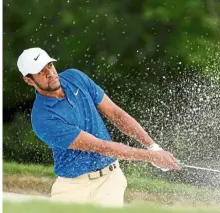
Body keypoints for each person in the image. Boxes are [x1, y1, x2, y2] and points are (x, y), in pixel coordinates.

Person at [17, 47, 182, 207]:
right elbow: (100, 147)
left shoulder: (75, 78)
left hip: (110, 181)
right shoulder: (43, 118)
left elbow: (117, 115)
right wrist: (151, 157)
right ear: (29, 80)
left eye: (50, 66)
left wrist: (153, 147)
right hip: (73, 188)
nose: (50, 73)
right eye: (41, 72)